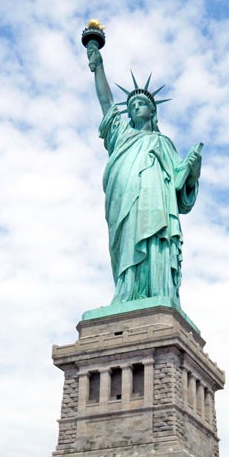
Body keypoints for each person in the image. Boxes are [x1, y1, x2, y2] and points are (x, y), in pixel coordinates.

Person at [86, 39, 202, 307]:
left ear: (153, 111)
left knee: (156, 239)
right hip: (125, 200)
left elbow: (180, 186)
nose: (136, 106)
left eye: (141, 103)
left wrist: (192, 171)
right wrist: (98, 67)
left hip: (157, 203)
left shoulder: (163, 143)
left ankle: (159, 294)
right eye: (133, 104)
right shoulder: (122, 135)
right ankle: (126, 293)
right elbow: (106, 102)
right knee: (128, 243)